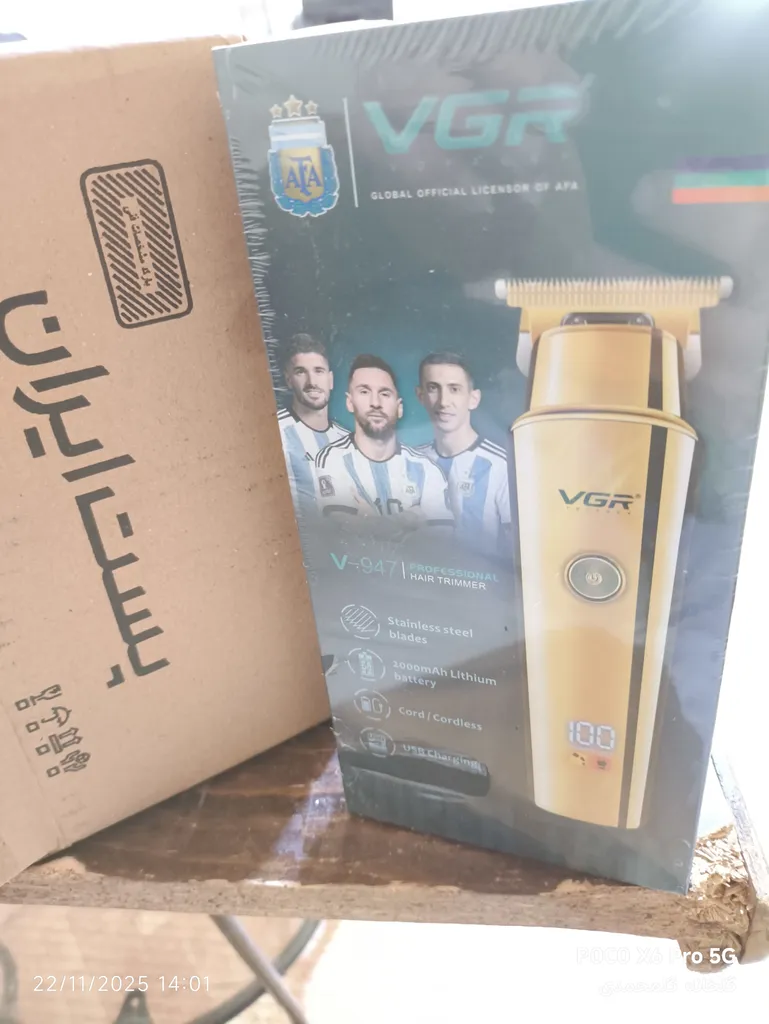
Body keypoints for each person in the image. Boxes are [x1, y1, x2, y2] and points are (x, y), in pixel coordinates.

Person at [314, 354, 453, 528]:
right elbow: (343, 529)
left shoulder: (427, 469)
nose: (375, 403)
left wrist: (370, 520)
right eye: (364, 392)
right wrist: (409, 518)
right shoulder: (332, 459)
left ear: (399, 408)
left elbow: (442, 537)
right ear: (349, 402)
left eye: (385, 393)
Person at [416, 352, 510, 555]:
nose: (443, 402)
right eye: (433, 388)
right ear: (420, 396)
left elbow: (520, 548)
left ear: (473, 399)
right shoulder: (411, 461)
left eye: (454, 389)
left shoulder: (501, 466)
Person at [277, 333, 348, 510]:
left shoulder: (347, 439)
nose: (312, 382)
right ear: (289, 380)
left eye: (319, 371)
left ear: (330, 380)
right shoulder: (275, 432)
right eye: (301, 372)